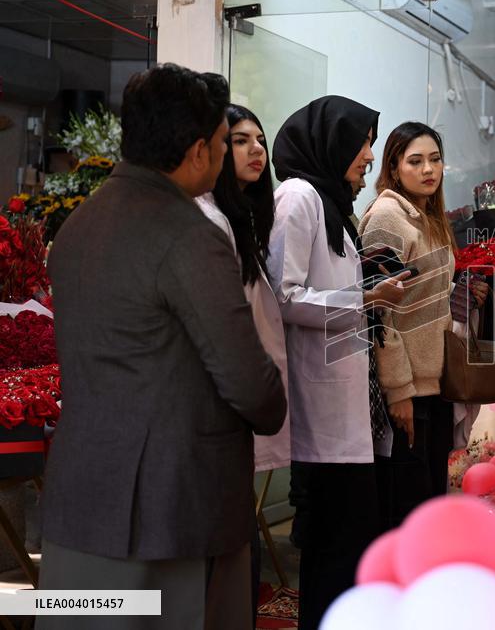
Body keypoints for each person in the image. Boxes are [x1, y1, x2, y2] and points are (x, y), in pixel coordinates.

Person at [39, 63, 287, 630]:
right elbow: (250, 384)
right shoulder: (190, 235)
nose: (225, 155)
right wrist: (273, 400)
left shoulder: (78, 226)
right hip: (170, 509)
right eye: (224, 142)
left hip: (81, 491)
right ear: (198, 151)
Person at [268, 96, 407, 630]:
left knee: (349, 551)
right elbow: (283, 296)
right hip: (322, 411)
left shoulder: (331, 204)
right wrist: (366, 299)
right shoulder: (298, 197)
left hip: (349, 405)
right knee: (332, 554)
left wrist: (370, 285)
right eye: (362, 143)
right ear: (331, 142)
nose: (369, 156)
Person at [359, 121, 484, 528]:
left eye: (435, 159)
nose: (428, 169)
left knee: (430, 506)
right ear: (394, 168)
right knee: (406, 513)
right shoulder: (387, 219)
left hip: (434, 386)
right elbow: (379, 312)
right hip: (407, 389)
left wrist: (462, 293)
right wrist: (398, 391)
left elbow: (422, 297)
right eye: (415, 161)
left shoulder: (428, 217)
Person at [193, 104, 290, 618]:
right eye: (239, 140)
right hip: (222, 404)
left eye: (260, 140)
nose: (256, 150)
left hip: (242, 400)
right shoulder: (210, 219)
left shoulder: (245, 218)